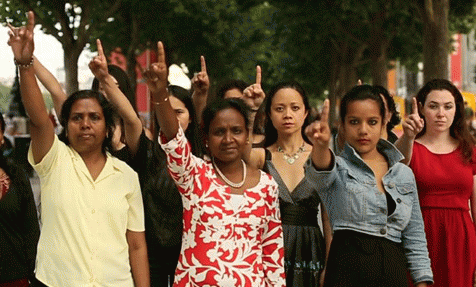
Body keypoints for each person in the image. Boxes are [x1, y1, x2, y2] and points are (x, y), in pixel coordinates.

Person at [8, 12, 149, 286]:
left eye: (94, 117)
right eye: (76, 118)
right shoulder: (54, 160)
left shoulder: (126, 175)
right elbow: (38, 117)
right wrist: (25, 64)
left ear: (108, 126)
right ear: (66, 124)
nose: (85, 124)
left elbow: (137, 246)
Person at [144, 41, 285, 286]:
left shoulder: (267, 186)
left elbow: (273, 256)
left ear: (247, 135)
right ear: (206, 139)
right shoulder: (194, 174)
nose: (229, 139)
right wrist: (159, 93)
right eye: (219, 132)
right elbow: (174, 138)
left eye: (237, 131)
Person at [89, 39, 203, 286]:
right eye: (166, 111)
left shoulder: (200, 161)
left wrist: (201, 96)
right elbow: (132, 121)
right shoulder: (148, 151)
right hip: (147, 252)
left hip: (192, 251)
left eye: (179, 112)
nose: (171, 117)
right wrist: (105, 81)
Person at [304, 85, 433, 286]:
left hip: (393, 272)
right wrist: (320, 146)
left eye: (372, 122)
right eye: (354, 122)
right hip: (346, 272)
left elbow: (415, 236)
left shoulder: (403, 174)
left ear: (383, 123)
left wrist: (422, 281)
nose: (363, 130)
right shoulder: (338, 168)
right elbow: (320, 172)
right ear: (343, 125)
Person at [396, 79, 476, 287]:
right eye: (433, 106)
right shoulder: (410, 146)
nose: (441, 113)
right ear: (422, 109)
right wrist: (408, 137)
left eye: (448, 106)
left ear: (457, 111)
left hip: (461, 240)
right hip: (418, 239)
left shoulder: (470, 150)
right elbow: (395, 163)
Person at [247, 81, 331, 286]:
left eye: (295, 108)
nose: (287, 115)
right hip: (267, 248)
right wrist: (251, 111)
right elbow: (239, 156)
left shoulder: (320, 157)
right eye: (279, 108)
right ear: (268, 115)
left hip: (310, 250)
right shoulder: (260, 156)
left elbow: (329, 220)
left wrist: (330, 265)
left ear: (305, 113)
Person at [0, 113, 40, 287]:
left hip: (15, 277)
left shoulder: (16, 176)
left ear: (2, 137)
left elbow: (31, 229)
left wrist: (34, 272)